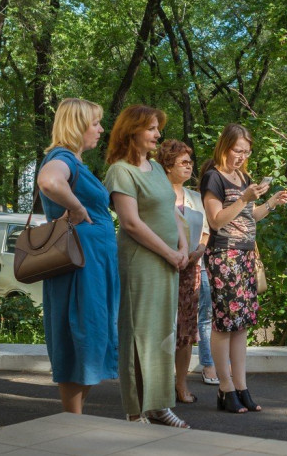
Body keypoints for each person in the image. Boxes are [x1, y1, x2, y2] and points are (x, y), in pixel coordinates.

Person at [104, 105, 190, 428]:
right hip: (141, 262)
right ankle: (134, 411)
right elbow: (130, 223)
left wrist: (182, 248)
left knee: (163, 333)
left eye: (157, 128)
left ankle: (158, 405)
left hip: (168, 262)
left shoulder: (155, 167)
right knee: (137, 333)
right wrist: (169, 252)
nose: (158, 134)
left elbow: (172, 212)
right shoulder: (120, 171)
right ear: (132, 131)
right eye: (151, 129)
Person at [200, 123, 287, 413]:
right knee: (225, 322)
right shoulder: (213, 177)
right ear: (224, 147)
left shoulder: (243, 177)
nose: (241, 157)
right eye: (237, 151)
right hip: (223, 254)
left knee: (241, 324)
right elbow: (216, 220)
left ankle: (241, 386)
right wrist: (243, 198)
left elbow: (250, 216)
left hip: (245, 254)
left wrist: (272, 203)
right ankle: (225, 387)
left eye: (247, 152)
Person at [36, 98, 120, 414]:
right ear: (78, 125)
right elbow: (49, 181)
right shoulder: (62, 158)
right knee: (79, 336)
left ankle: (74, 418)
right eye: (95, 123)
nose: (101, 129)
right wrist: (77, 207)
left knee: (92, 337)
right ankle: (72, 420)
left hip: (93, 264)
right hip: (79, 266)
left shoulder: (75, 162)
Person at [155, 139, 213, 404]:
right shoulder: (156, 195)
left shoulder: (195, 198)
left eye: (191, 162)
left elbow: (206, 231)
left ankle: (181, 384)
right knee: (161, 327)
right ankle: (158, 384)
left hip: (191, 270)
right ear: (168, 165)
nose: (190, 166)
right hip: (161, 267)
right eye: (184, 162)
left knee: (186, 330)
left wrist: (199, 251)